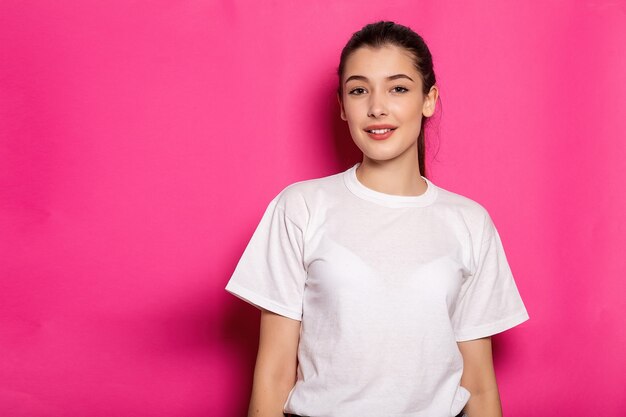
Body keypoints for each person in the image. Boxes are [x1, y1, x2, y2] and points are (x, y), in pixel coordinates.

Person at [225, 21, 529, 417]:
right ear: (342, 105)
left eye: (398, 88)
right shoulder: (300, 207)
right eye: (358, 90)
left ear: (429, 99)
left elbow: (480, 387)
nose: (377, 107)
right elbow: (273, 375)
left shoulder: (469, 222)